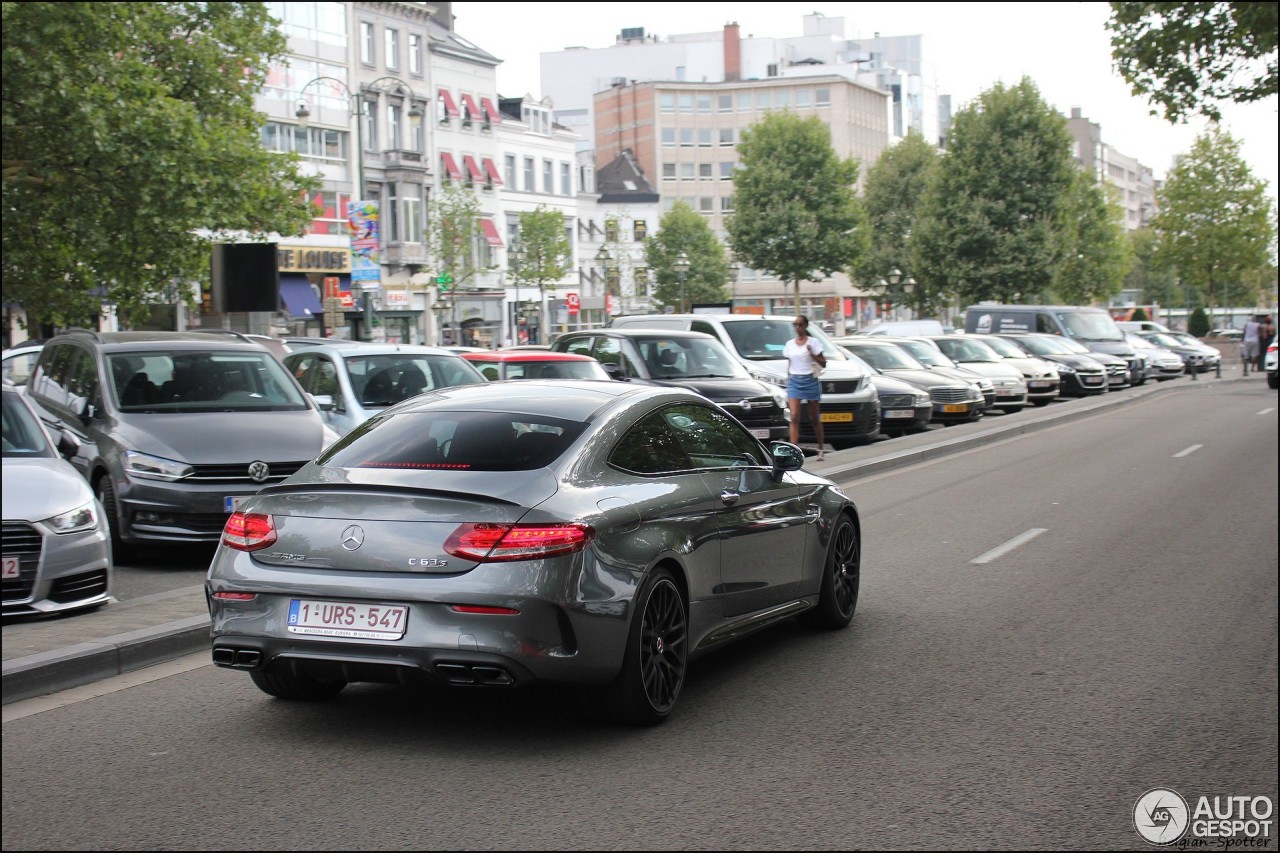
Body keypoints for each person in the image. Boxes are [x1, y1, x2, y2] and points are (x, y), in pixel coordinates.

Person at [784, 315, 827, 460]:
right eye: (795, 325)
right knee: (794, 416)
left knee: (813, 417)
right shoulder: (790, 344)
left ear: (806, 326)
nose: (798, 327)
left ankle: (820, 448)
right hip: (794, 381)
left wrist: (812, 354)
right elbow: (790, 363)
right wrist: (788, 379)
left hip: (810, 380)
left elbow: (823, 363)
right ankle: (793, 452)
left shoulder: (814, 342)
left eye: (800, 324)